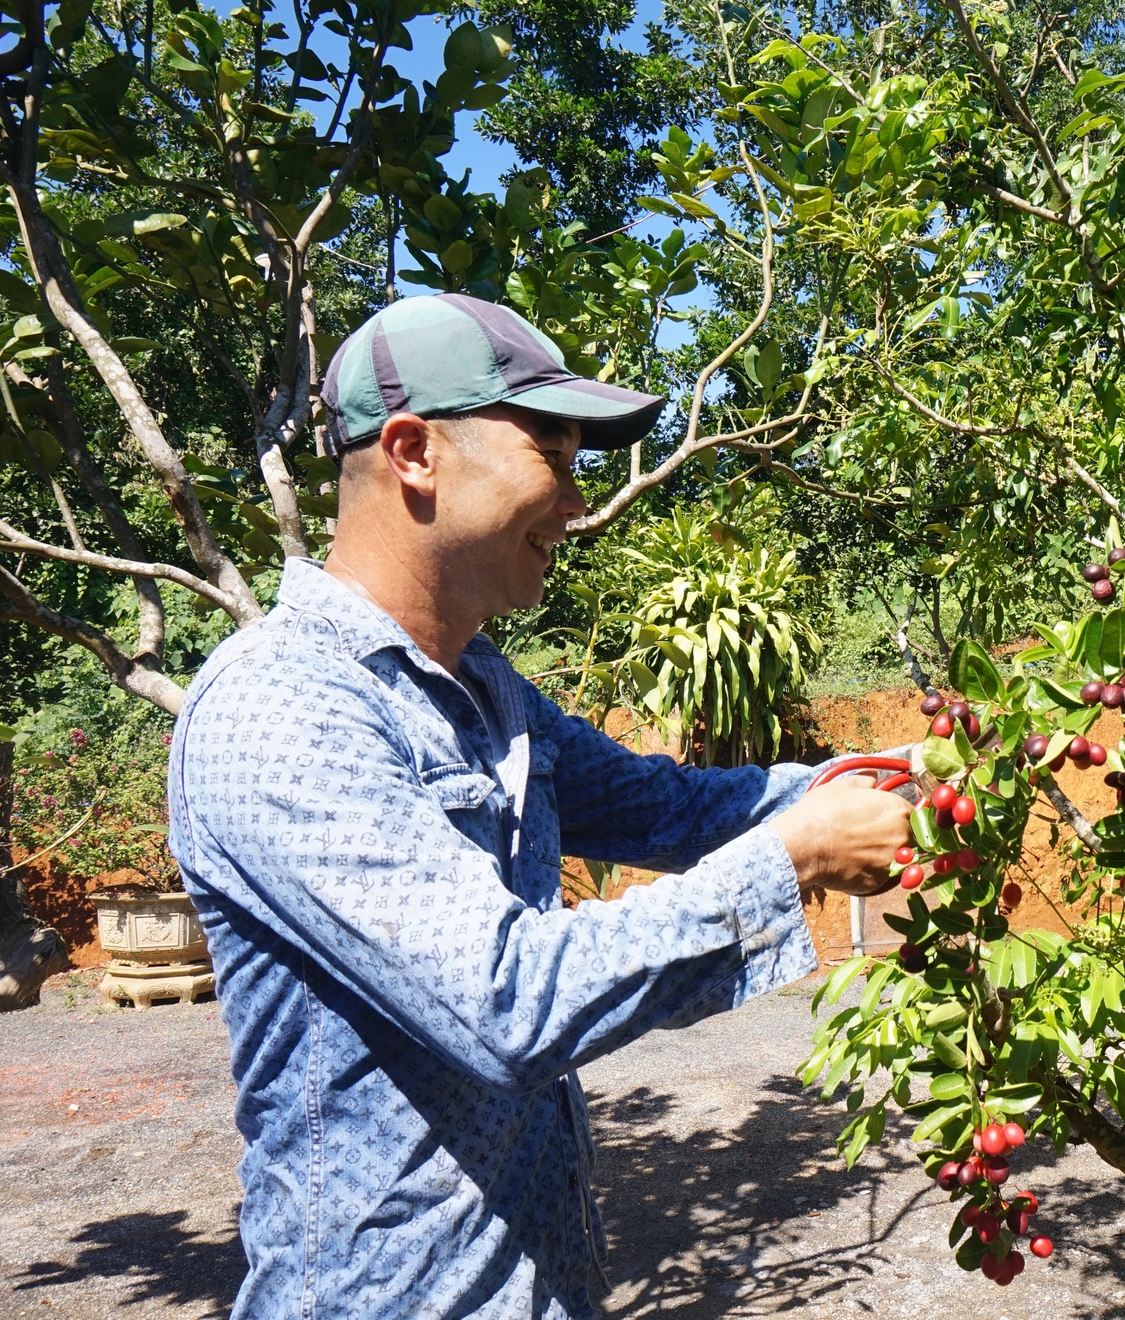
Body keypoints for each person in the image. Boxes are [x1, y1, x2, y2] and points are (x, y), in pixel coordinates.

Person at [166, 293, 911, 1319]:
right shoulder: (278, 706)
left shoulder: (487, 690)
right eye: (552, 455)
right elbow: (506, 1002)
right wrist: (794, 859)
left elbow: (673, 808)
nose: (575, 502)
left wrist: (915, 771)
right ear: (414, 450)